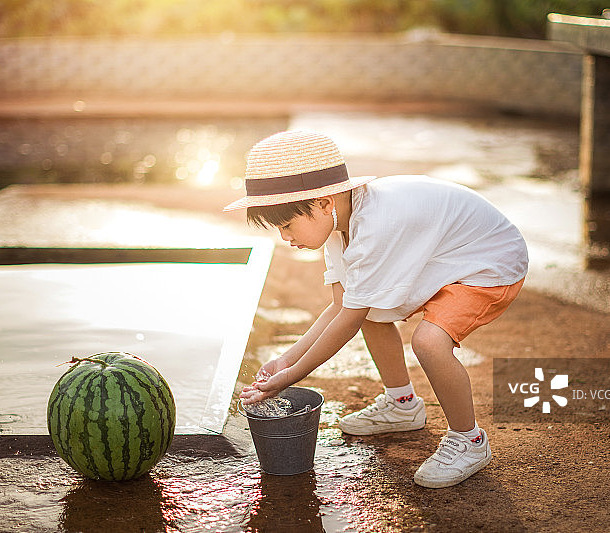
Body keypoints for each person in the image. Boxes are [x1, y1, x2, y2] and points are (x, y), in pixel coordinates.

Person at [226, 130, 528, 488]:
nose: (285, 238)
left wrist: (290, 378)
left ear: (323, 202)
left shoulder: (375, 226)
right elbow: (342, 306)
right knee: (368, 307)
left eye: (287, 225)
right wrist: (286, 360)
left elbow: (348, 320)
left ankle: (470, 441)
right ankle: (402, 404)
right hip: (441, 258)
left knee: (429, 342)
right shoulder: (339, 224)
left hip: (487, 262)